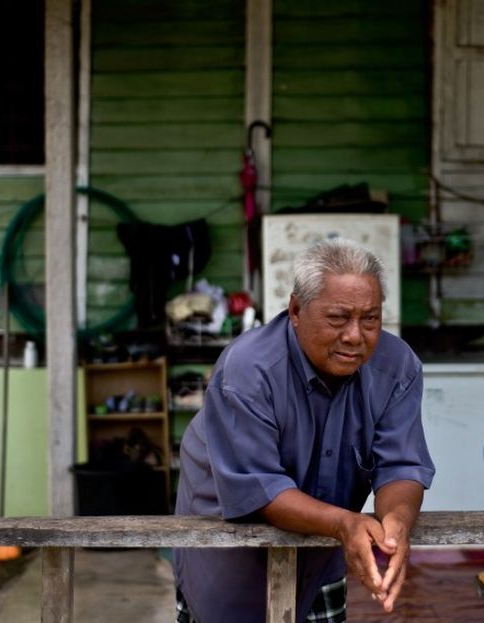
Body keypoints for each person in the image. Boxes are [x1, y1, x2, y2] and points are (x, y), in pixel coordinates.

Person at [173, 237, 435, 623]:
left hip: (324, 555)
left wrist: (396, 523)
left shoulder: (397, 368)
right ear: (296, 309)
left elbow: (400, 466)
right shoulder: (247, 371)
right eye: (337, 318)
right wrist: (346, 523)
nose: (355, 336)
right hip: (229, 556)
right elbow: (259, 488)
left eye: (370, 318)